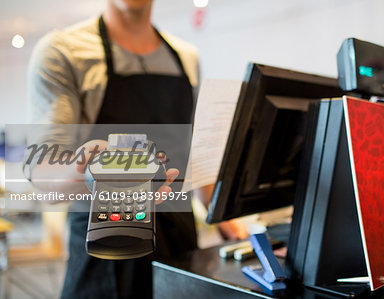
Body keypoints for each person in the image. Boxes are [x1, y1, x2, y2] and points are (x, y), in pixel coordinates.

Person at [27, 1, 247, 298]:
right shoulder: (63, 51)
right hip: (107, 247)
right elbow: (43, 171)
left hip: (178, 243)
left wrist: (224, 218)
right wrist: (89, 168)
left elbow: (192, 154)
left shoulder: (186, 57)